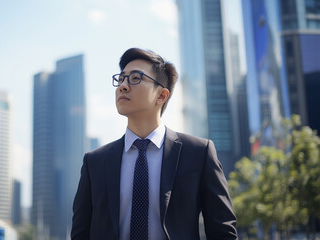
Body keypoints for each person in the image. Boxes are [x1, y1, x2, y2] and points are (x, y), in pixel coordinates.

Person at [71, 48, 237, 240]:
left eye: (135, 78)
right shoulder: (95, 162)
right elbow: (80, 233)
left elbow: (222, 230)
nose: (123, 86)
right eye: (121, 79)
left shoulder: (199, 153)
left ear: (161, 96)